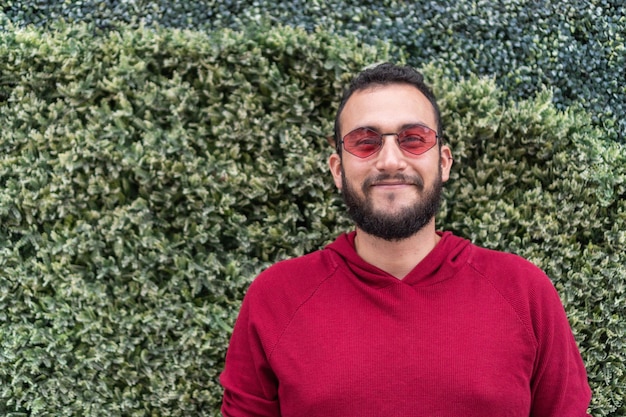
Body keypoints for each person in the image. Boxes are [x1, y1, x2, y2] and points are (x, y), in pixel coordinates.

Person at [220, 63, 592, 416]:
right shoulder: (276, 297)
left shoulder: (524, 291)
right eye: (366, 142)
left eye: (413, 139)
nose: (391, 160)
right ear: (338, 169)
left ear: (443, 162)